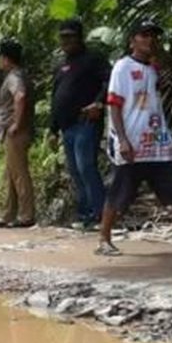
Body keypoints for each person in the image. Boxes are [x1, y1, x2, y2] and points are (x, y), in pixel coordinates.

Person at [98, 20, 172, 255]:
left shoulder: (154, 68)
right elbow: (114, 105)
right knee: (120, 191)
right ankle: (104, 238)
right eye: (144, 35)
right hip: (132, 141)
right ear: (132, 40)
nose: (150, 39)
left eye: (153, 36)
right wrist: (121, 139)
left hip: (157, 141)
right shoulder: (122, 67)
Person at [49, 18, 111, 230]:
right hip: (66, 127)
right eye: (63, 37)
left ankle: (100, 214)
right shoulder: (61, 64)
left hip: (86, 122)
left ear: (79, 37)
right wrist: (52, 129)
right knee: (75, 170)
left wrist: (98, 103)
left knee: (87, 167)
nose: (66, 41)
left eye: (70, 36)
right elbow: (55, 96)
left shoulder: (93, 58)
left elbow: (110, 81)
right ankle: (85, 214)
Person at [0, 40, 37, 228]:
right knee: (11, 174)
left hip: (17, 132)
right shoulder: (19, 75)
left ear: (5, 58)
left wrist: (16, 123)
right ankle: (9, 213)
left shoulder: (14, 77)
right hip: (15, 130)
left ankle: (26, 215)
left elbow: (20, 96)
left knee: (19, 173)